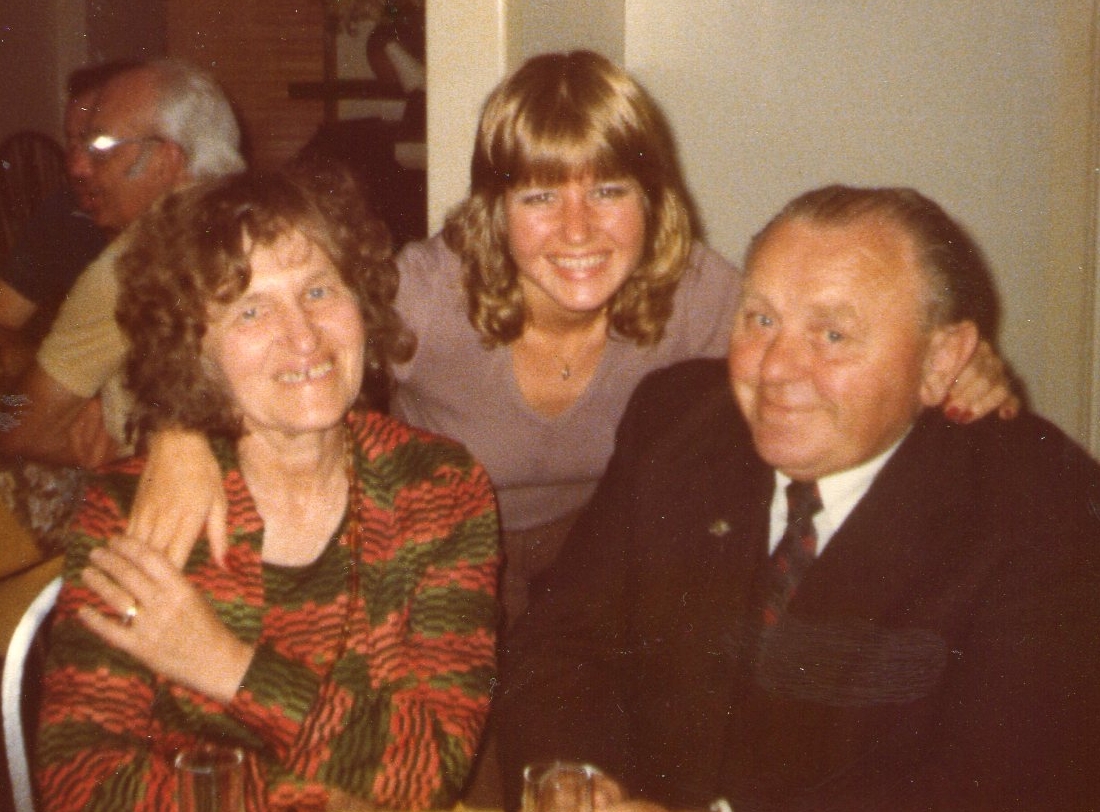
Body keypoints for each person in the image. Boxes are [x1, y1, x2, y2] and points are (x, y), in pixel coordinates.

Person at [129, 51, 1015, 627]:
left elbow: (835, 358)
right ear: (492, 209)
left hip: (605, 585)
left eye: (612, 191)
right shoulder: (429, 295)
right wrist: (179, 433)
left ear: (653, 200)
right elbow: (277, 343)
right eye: (539, 196)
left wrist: (959, 368)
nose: (579, 231)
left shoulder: (699, 295)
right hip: (441, 576)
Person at [496, 185, 1100, 812]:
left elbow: (1008, 787)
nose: (775, 368)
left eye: (832, 335)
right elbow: (563, 639)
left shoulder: (1042, 511)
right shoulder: (677, 422)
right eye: (761, 320)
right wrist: (570, 773)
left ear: (942, 358)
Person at [34, 166, 501, 811]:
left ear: (361, 303)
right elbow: (80, 787)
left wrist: (223, 663)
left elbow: (431, 770)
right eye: (251, 309)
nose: (303, 336)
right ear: (194, 346)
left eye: (318, 291)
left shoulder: (441, 491)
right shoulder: (130, 512)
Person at [0, 57, 245, 468]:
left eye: (100, 149)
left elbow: (22, 431)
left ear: (167, 159)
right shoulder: (265, 222)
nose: (77, 166)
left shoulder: (137, 262)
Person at [0, 60, 137, 381]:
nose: (76, 165)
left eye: (96, 144)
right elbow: (4, 318)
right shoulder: (65, 213)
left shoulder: (183, 222)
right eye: (72, 142)